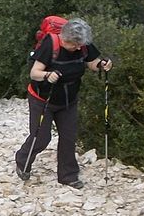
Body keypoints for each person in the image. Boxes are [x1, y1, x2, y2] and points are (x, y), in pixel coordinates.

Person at [14, 17, 112, 188]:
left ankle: (68, 176)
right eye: (74, 45)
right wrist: (47, 75)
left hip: (69, 100)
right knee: (41, 137)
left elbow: (92, 63)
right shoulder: (50, 45)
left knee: (69, 137)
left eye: (80, 45)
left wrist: (103, 65)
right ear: (65, 38)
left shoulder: (82, 45)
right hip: (42, 99)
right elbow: (34, 73)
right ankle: (23, 160)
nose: (77, 48)